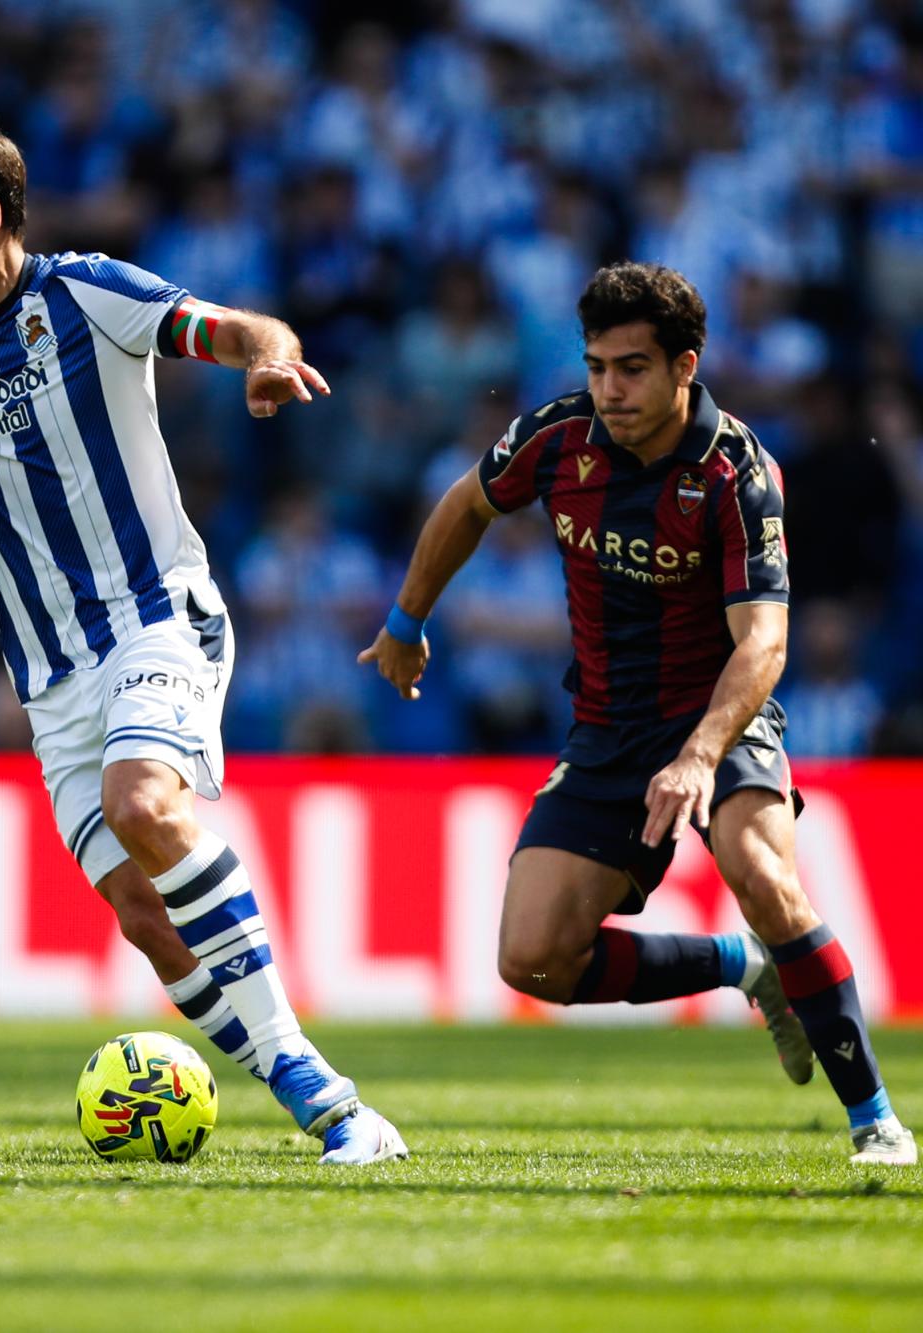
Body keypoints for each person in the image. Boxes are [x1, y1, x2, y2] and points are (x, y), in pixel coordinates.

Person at [0, 118, 406, 1165]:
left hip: (156, 616)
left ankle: (333, 1100)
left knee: (142, 804)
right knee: (145, 919)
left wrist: (268, 359)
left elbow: (236, 328)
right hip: (49, 677)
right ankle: (315, 1098)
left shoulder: (86, 294)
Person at [359, 261, 913, 1167]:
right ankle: (745, 966)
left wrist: (699, 754)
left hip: (721, 714)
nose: (609, 389)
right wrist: (404, 621)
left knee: (759, 870)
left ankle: (875, 1119)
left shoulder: (737, 471)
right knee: (534, 959)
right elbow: (467, 504)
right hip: (609, 727)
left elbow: (765, 643)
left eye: (632, 368)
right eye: (597, 366)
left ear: (684, 366)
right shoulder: (558, 435)